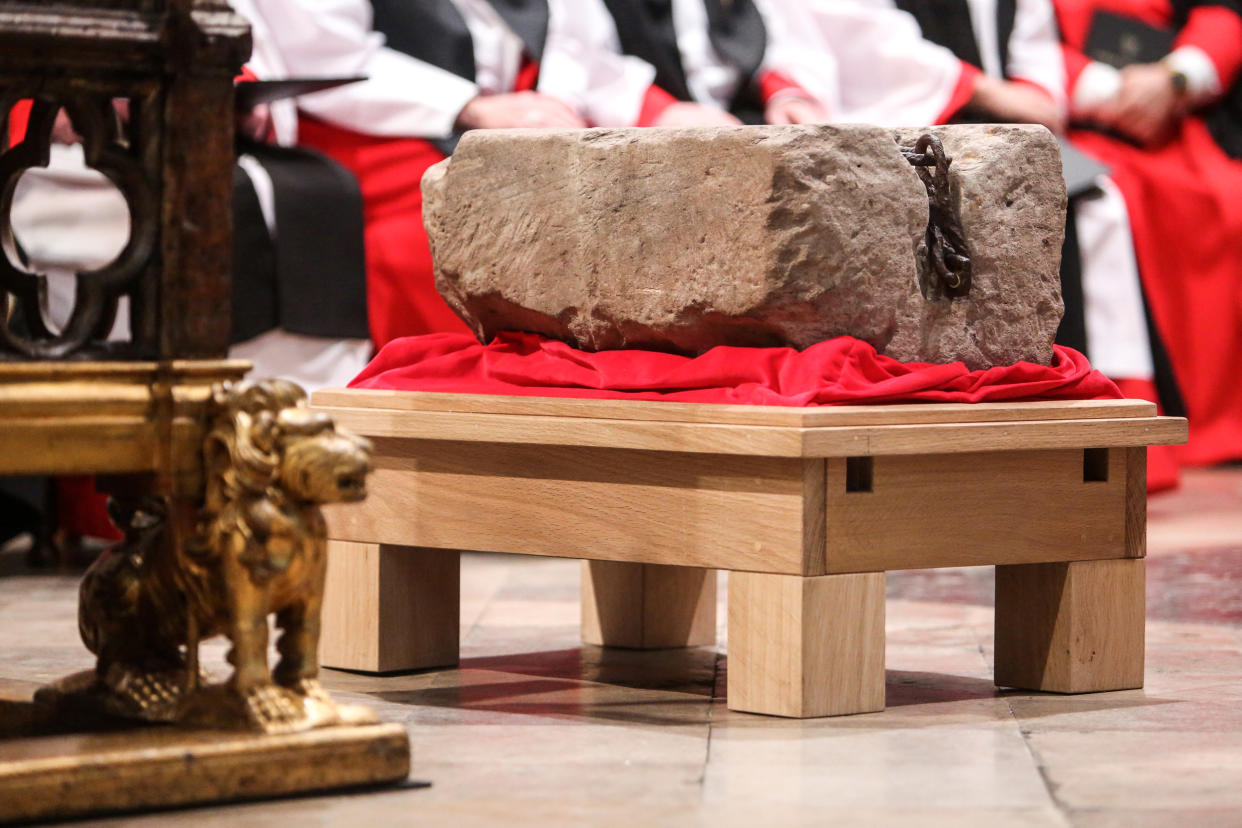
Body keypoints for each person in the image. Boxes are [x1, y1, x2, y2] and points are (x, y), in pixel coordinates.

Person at [232, 0, 711, 349]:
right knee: (460, 223)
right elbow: (323, 53)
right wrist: (468, 106)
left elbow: (575, 50)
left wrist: (662, 111)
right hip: (368, 122)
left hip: (504, 113)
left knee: (647, 196)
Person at [1054, 0, 1242, 468]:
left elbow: (1221, 14)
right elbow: (1016, 42)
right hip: (1078, 121)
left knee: (1227, 202)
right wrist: (1110, 90)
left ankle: (1223, 421)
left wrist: (1176, 79)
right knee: (1114, 206)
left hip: (1181, 114)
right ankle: (1144, 416)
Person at [593, 0, 833, 126]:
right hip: (640, 123)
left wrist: (784, 94)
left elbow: (779, 33)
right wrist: (658, 110)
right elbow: (576, 50)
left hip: (741, 114)